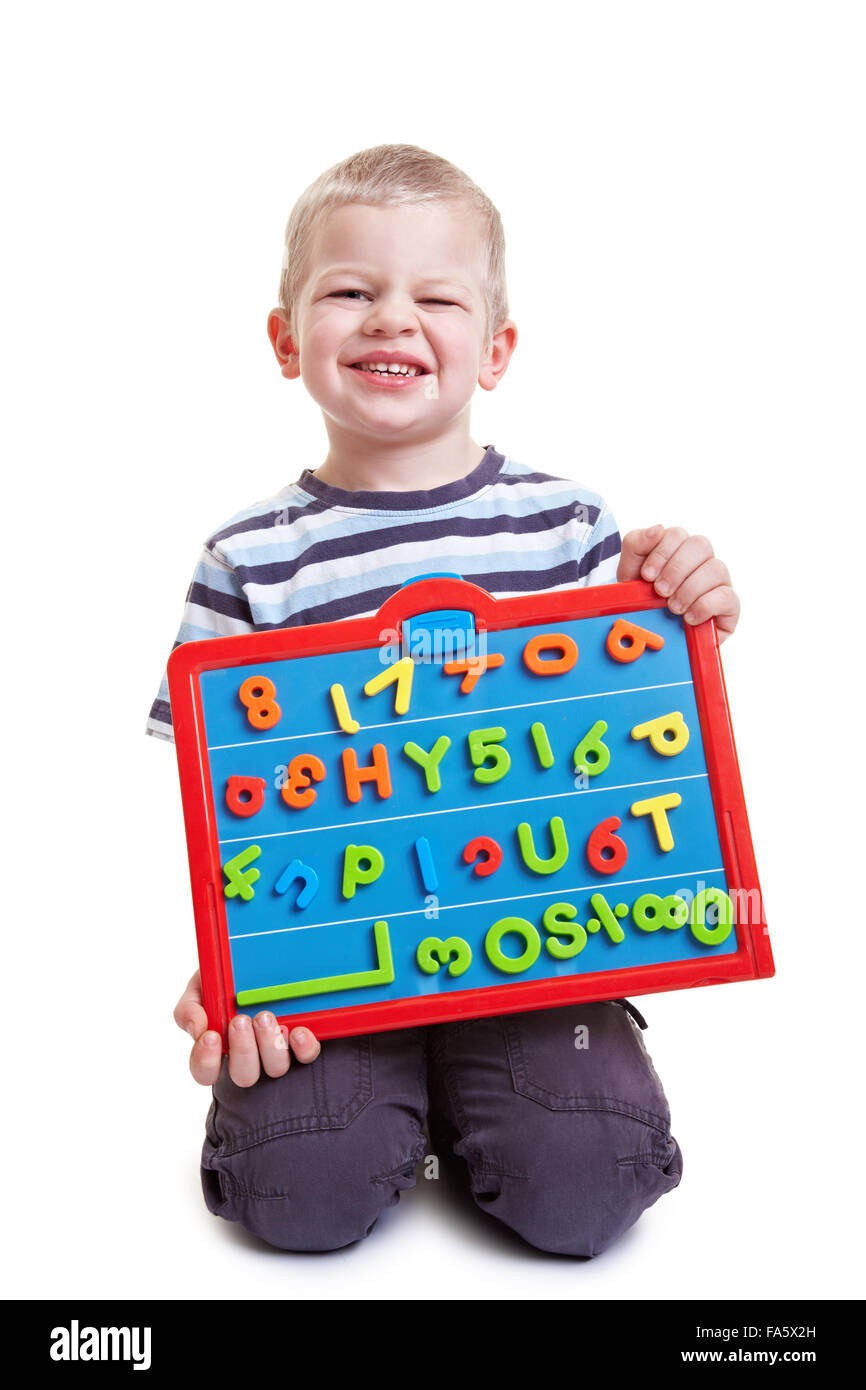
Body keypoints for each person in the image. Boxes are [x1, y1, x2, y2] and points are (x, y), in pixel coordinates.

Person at [148, 144, 740, 1257]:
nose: (390, 321)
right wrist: (235, 969)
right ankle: (396, 1101)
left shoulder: (569, 528)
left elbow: (635, 726)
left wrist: (685, 600)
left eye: (434, 297)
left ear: (496, 347)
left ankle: (491, 1105)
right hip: (331, 956)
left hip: (541, 944)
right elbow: (218, 795)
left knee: (586, 1187)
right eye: (349, 291)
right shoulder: (247, 557)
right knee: (298, 1198)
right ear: (285, 341)